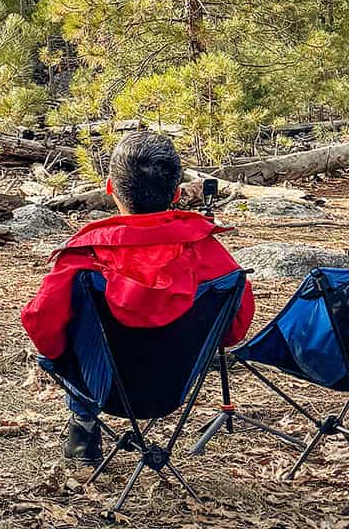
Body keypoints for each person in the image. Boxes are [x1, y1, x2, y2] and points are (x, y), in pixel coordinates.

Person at [20, 129, 255, 468]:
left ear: (110, 187)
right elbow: (233, 331)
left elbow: (41, 326)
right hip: (174, 385)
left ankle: (83, 428)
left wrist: (62, 351)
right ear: (176, 193)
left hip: (101, 386)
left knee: (67, 320)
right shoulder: (215, 259)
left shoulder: (84, 257)